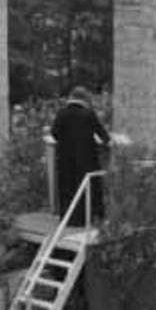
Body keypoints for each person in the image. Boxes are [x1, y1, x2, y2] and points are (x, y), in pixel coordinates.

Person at [50, 87, 110, 220]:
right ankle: (86, 218)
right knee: (86, 188)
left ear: (71, 97)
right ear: (84, 99)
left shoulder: (61, 113)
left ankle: (67, 218)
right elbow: (102, 133)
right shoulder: (88, 113)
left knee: (67, 188)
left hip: (65, 159)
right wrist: (105, 142)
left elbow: (54, 134)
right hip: (86, 159)